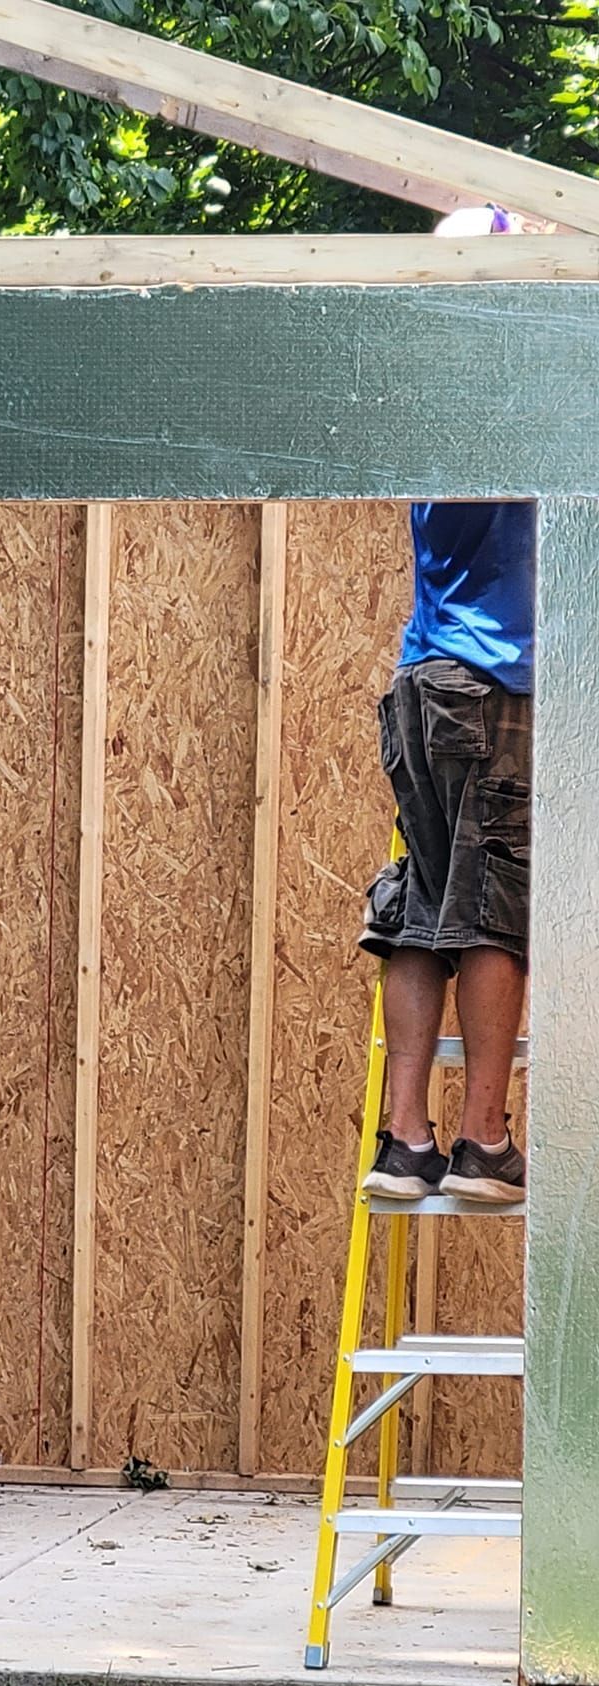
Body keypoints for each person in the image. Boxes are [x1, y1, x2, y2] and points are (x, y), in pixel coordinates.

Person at [359, 206, 533, 1207]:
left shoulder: (427, 387)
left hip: (421, 681)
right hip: (492, 682)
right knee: (492, 908)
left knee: (425, 904)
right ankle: (483, 1141)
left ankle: (407, 1138)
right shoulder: (507, 392)